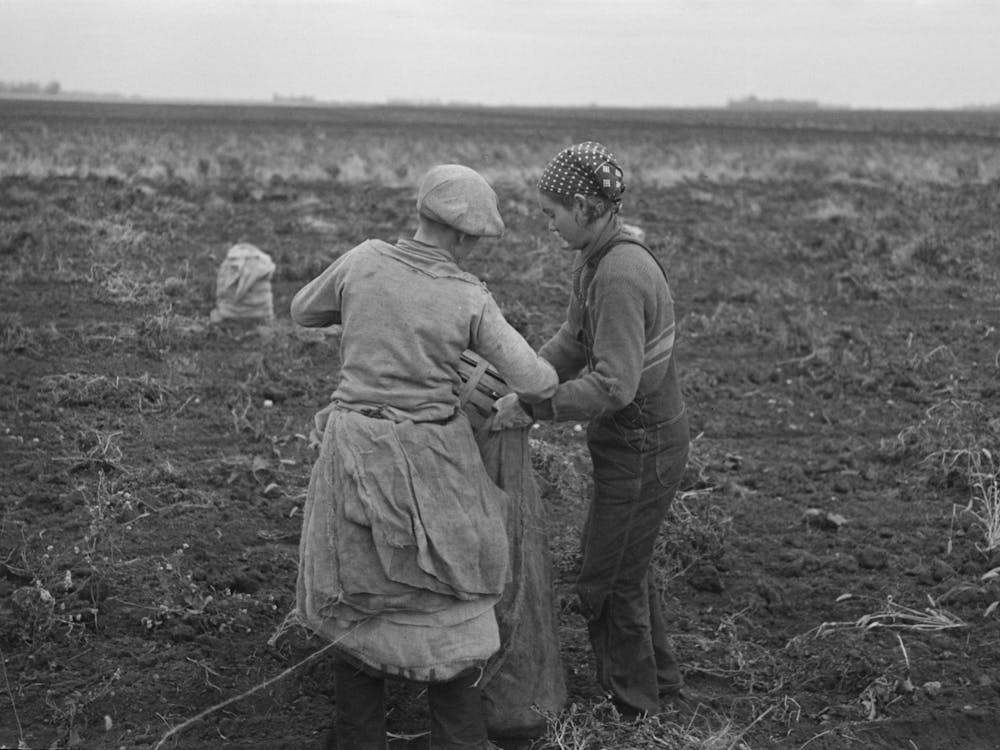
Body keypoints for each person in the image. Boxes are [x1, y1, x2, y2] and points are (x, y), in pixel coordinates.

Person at [291, 164, 558, 750]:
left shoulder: (362, 261)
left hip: (353, 453)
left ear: (419, 215)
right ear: (464, 238)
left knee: (356, 593)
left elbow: (303, 311)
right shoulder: (468, 296)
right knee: (450, 593)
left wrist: (370, 315)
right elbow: (536, 379)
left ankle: (361, 740)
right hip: (437, 462)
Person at [494, 141, 690, 718]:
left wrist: (536, 408)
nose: (547, 224)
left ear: (584, 206)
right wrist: (526, 377)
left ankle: (636, 712)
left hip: (644, 446)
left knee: (605, 581)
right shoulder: (598, 257)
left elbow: (614, 385)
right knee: (625, 565)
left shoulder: (621, 274)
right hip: (633, 443)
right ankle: (661, 685)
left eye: (552, 212)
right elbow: (574, 342)